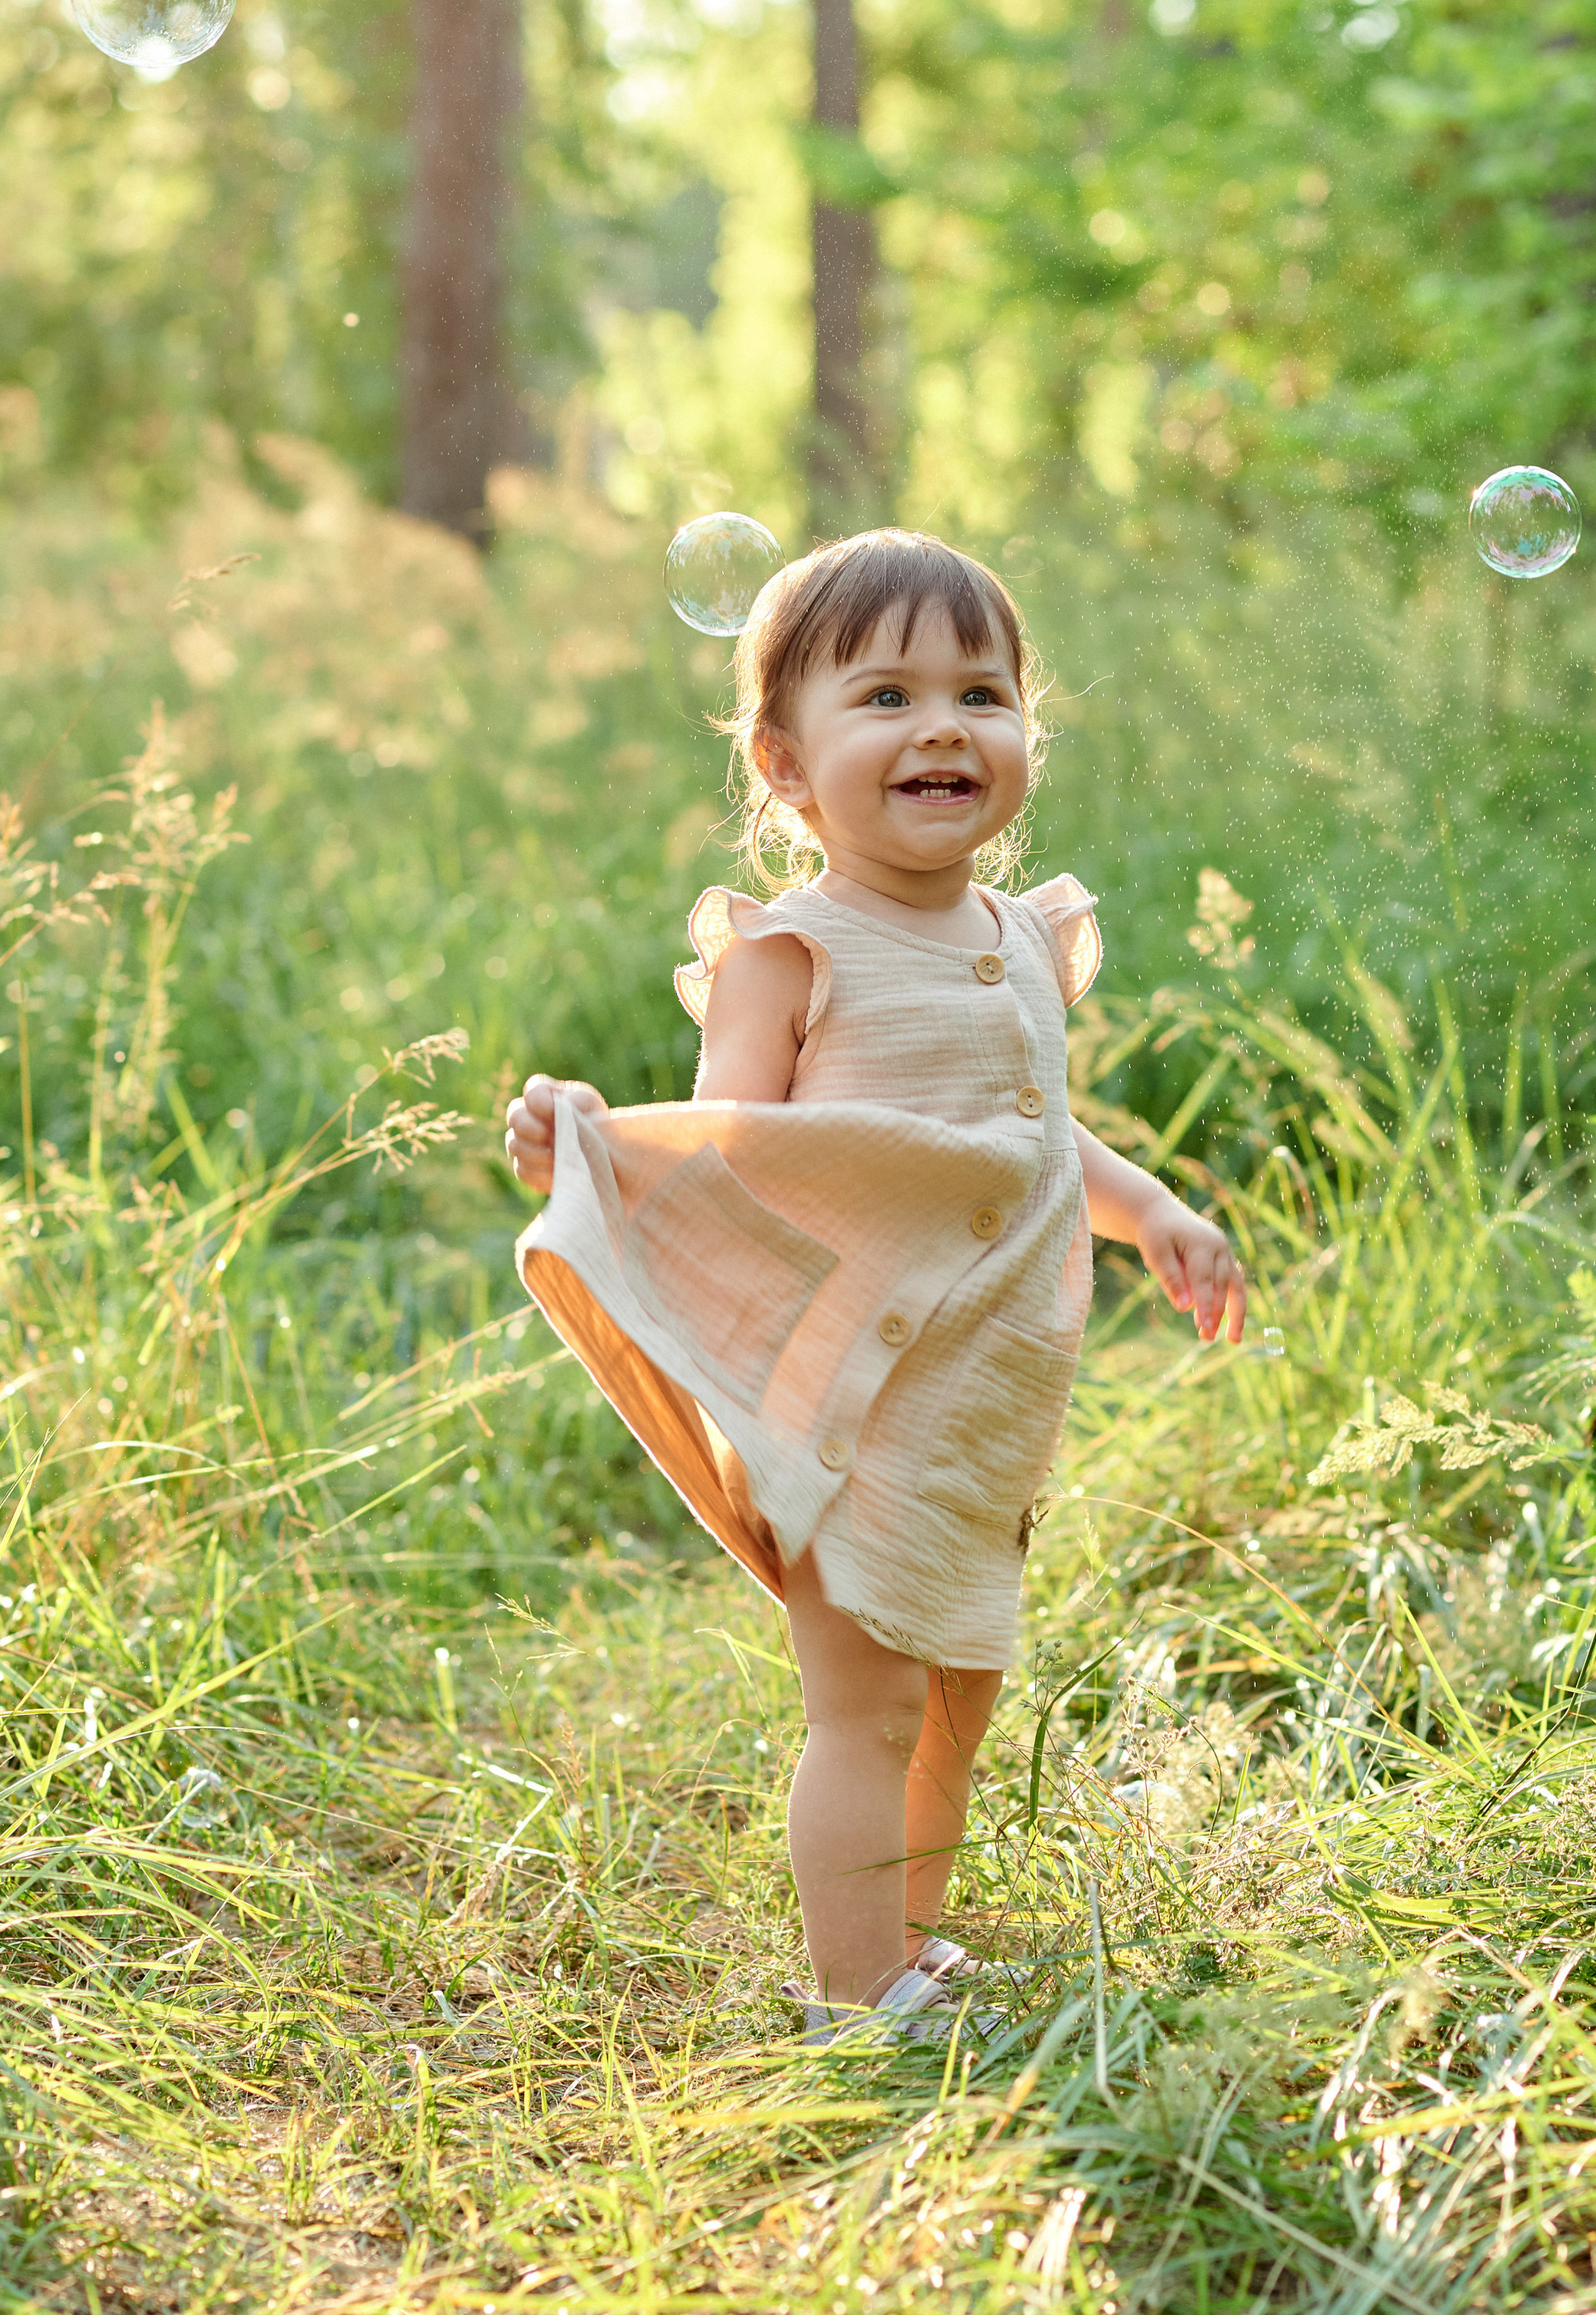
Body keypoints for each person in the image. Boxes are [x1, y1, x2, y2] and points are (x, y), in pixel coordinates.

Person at [504, 529, 1245, 2042]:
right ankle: (854, 1993)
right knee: (869, 1704)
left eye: (982, 693)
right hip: (851, 1403)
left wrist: (1154, 1209)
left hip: (983, 1412)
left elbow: (1027, 1139)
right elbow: (728, 1152)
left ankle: (908, 1942)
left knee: (957, 1698)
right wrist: (590, 1147)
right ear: (784, 765)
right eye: (887, 696)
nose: (941, 727)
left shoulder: (1022, 936)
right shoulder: (793, 954)